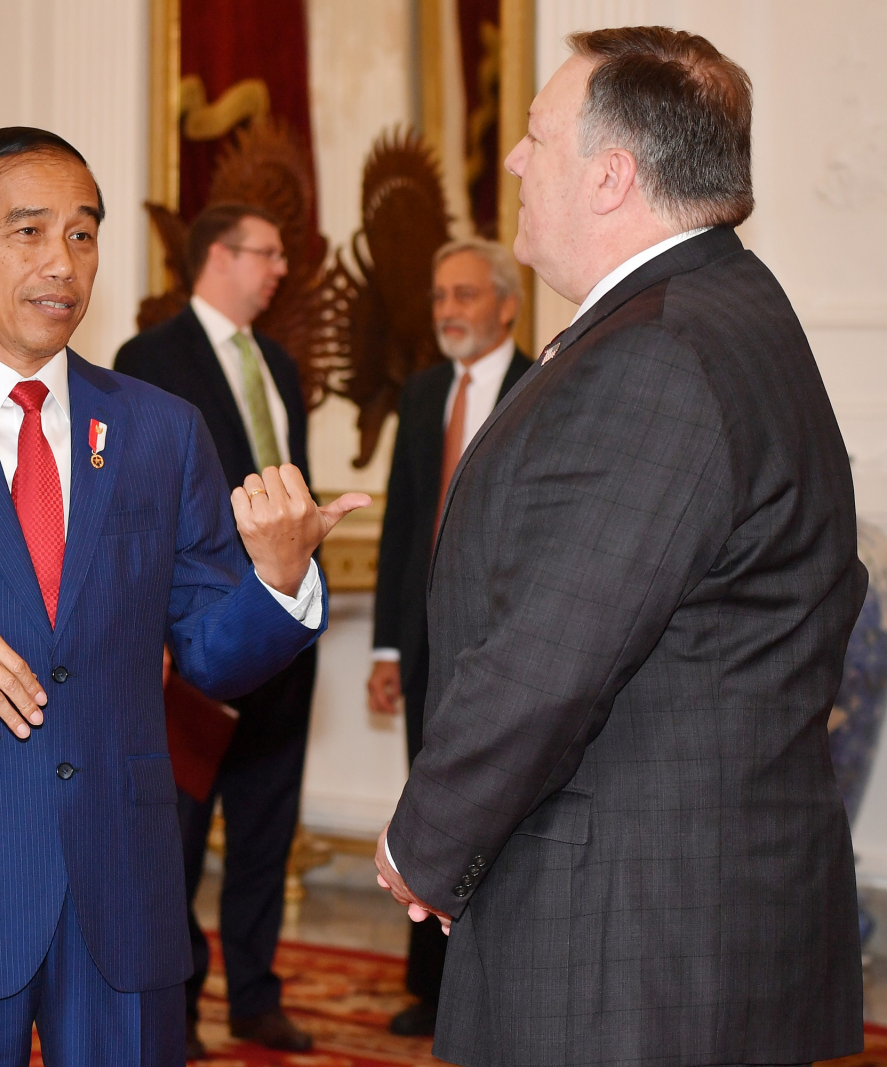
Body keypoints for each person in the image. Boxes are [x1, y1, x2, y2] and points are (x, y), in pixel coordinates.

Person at [0, 127, 367, 1067]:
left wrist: (280, 580)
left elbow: (212, 652)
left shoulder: (160, 430)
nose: (62, 262)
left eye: (83, 234)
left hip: (121, 881)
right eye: (29, 231)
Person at [372, 27, 866, 1066]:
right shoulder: (721, 306)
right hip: (692, 917)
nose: (515, 159)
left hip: (631, 942)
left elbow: (555, 651)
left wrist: (425, 841)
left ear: (610, 176)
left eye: (536, 135)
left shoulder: (657, 352)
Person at [115, 203, 316, 1057]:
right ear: (220, 256)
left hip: (280, 636)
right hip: (193, 638)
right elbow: (134, 504)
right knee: (178, 836)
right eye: (267, 253)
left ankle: (256, 996)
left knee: (268, 825)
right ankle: (182, 1000)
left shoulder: (278, 363)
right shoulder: (149, 359)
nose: (280, 269)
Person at [365, 237, 531, 1038]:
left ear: (508, 304)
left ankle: (498, 982)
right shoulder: (424, 390)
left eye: (465, 294)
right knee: (428, 803)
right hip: (427, 641)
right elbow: (403, 526)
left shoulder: (545, 383)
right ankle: (431, 989)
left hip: (507, 638)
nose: (448, 310)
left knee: (499, 806)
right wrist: (387, 648)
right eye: (439, 296)